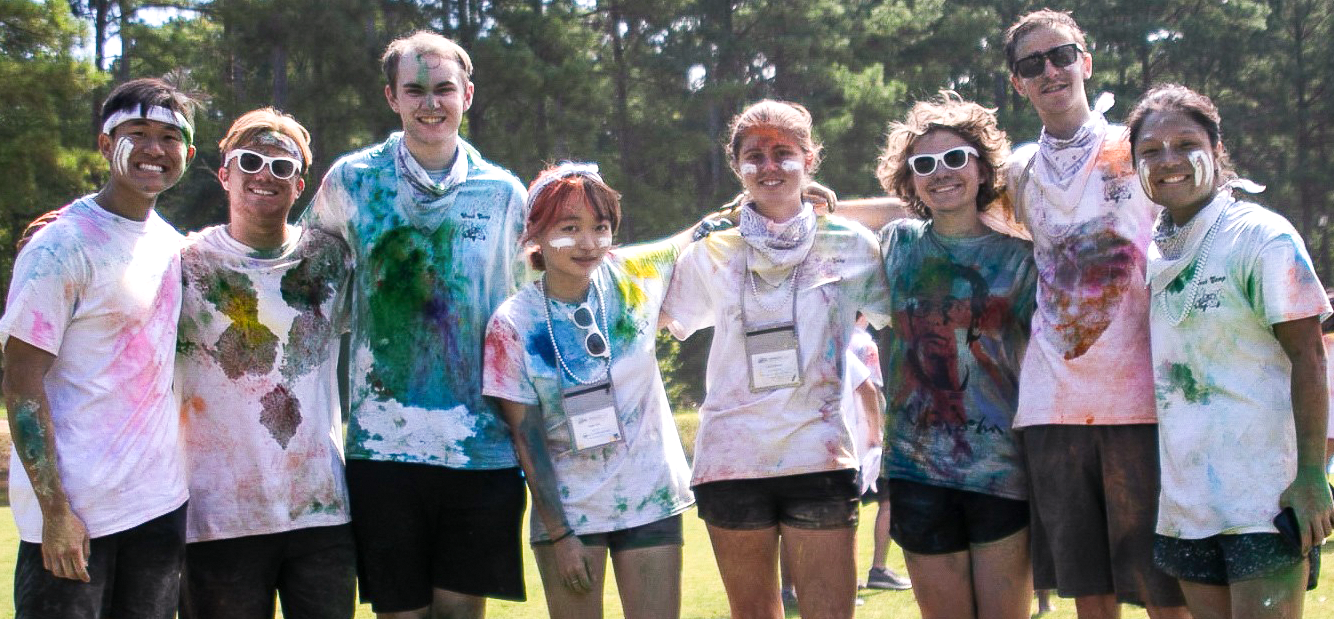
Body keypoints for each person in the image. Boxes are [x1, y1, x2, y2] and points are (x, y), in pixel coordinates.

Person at [302, 31, 529, 618]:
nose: (431, 103)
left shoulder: (504, 193)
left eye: (444, 89)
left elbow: (536, 302)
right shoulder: (351, 181)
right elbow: (301, 279)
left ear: (468, 94)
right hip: (384, 446)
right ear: (391, 98)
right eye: (415, 90)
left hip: (481, 447)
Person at [661, 99, 892, 619]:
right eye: (754, 155)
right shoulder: (713, 248)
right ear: (736, 165)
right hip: (731, 456)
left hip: (820, 450)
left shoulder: (851, 245)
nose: (769, 166)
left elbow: (908, 309)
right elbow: (653, 315)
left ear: (811, 160)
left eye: (783, 153)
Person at [1001, 10, 1189, 618]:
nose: (1050, 71)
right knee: (1090, 592)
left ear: (1085, 61)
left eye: (1061, 56)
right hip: (1052, 406)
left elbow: (1205, 200)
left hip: (1143, 400)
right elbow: (942, 204)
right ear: (1018, 84)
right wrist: (808, 204)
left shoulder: (1136, 148)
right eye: (1033, 65)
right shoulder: (1018, 170)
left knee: (1167, 589)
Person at [1129, 83, 1334, 619]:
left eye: (1185, 143)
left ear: (1216, 150)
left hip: (1264, 496)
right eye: (1150, 151)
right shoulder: (1156, 247)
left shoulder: (1262, 236)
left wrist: (1312, 474)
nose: (1167, 161)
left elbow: (1310, 359)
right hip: (1188, 500)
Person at [0, 77, 197, 618]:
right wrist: (55, 513)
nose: (155, 148)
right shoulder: (60, 246)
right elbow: (20, 383)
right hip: (75, 520)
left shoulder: (174, 246)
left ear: (188, 154)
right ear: (106, 144)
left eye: (169, 136)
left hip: (158, 510)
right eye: (137, 132)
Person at [482, 163, 696, 619]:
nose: (588, 243)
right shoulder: (512, 324)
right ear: (536, 233)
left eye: (600, 227)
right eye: (569, 227)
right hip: (571, 515)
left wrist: (779, 203)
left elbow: (702, 234)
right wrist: (560, 535)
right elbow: (527, 437)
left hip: (650, 498)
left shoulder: (634, 274)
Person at [175, 108, 356, 619]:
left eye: (281, 166)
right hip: (217, 518)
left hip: (320, 513)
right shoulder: (182, 262)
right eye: (249, 160)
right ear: (224, 174)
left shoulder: (331, 260)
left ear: (299, 184)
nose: (264, 175)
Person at [874, 92, 1037, 619]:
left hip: (1001, 470)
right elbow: (828, 223)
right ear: (910, 181)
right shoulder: (897, 244)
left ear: (984, 169)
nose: (940, 172)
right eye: (924, 164)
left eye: (955, 158)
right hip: (915, 469)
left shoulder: (1020, 260)